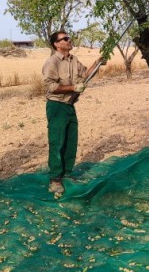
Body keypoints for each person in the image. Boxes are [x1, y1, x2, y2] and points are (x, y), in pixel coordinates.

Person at [42, 31, 103, 194]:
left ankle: (67, 174)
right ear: (56, 44)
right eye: (65, 39)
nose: (69, 41)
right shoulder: (52, 62)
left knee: (70, 140)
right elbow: (50, 86)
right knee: (57, 142)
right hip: (57, 106)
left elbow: (85, 74)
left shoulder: (73, 60)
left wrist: (98, 63)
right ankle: (55, 179)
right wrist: (73, 88)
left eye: (69, 38)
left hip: (69, 106)